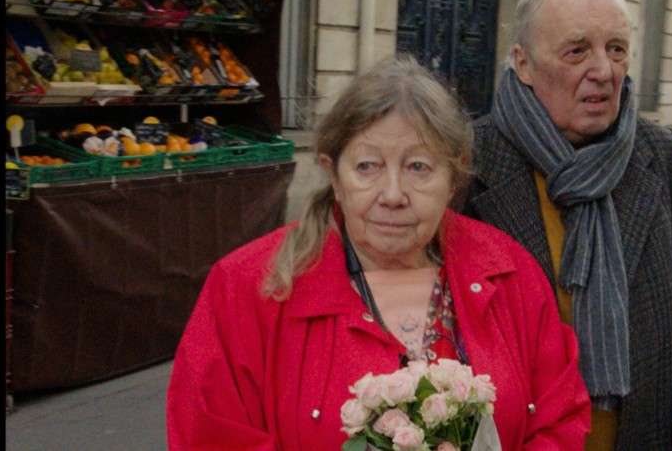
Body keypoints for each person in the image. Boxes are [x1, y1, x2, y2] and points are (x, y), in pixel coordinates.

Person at [167, 54, 591, 450]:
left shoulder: (511, 272)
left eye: (418, 167)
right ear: (334, 175)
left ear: (453, 176)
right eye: (367, 166)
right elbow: (208, 434)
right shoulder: (247, 287)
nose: (392, 195)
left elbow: (560, 419)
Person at [459, 0, 672, 451]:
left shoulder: (659, 156)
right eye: (576, 50)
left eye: (617, 49)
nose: (604, 71)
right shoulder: (468, 163)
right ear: (523, 64)